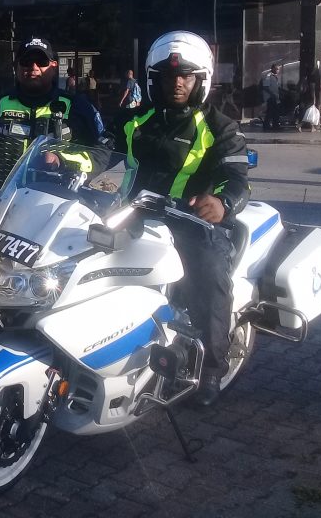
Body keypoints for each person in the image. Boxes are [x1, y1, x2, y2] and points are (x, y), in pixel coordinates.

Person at [110, 31, 250, 407]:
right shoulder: (135, 121)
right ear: (153, 79)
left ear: (201, 79)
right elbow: (97, 153)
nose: (177, 83)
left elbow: (236, 177)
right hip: (133, 216)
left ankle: (212, 371)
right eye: (169, 76)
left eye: (186, 76)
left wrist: (222, 202)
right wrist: (65, 161)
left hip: (192, 224)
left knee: (209, 279)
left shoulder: (220, 127)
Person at [0, 37, 104, 189]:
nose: (34, 67)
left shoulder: (77, 106)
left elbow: (102, 154)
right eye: (26, 61)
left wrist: (62, 161)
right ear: (16, 66)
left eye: (41, 62)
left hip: (57, 203)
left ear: (54, 66)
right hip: (5, 200)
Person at [260, 63, 282, 131]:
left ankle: (275, 125)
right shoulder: (268, 76)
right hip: (270, 98)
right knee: (270, 112)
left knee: (276, 112)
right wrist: (272, 94)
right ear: (272, 69)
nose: (277, 70)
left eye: (278, 69)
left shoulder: (276, 77)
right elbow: (265, 87)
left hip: (276, 97)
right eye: (276, 69)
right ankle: (266, 126)